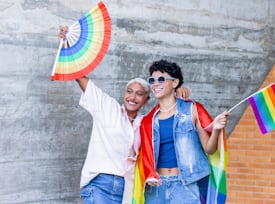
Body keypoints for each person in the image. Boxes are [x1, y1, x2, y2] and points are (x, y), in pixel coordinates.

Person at [57, 28, 191, 204]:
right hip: (99, 185)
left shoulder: (147, 123)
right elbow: (80, 77)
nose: (132, 97)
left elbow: (169, 112)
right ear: (124, 94)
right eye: (129, 91)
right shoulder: (107, 108)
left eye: (139, 94)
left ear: (146, 99)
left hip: (128, 189)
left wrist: (177, 91)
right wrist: (67, 44)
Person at [139, 59, 230, 204]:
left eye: (161, 79)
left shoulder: (192, 109)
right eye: (152, 80)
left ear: (175, 83)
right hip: (156, 187)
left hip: (185, 184)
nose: (155, 84)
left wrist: (217, 130)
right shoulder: (147, 121)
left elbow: (210, 149)